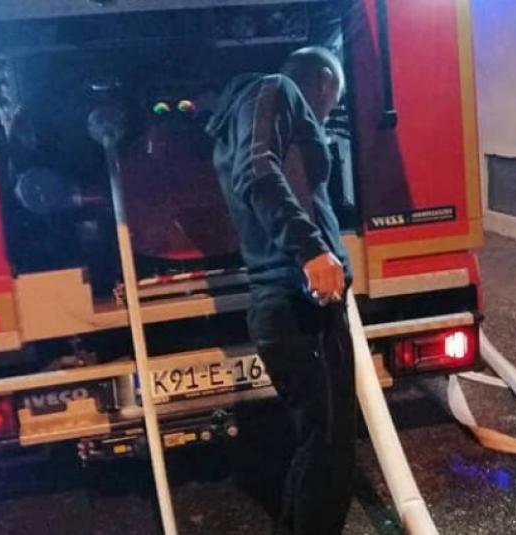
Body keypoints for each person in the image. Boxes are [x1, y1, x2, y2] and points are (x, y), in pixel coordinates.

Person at [206, 47, 355, 535]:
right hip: (298, 304)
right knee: (328, 449)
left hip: (291, 304)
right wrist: (311, 251)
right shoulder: (276, 88)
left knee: (322, 442)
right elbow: (258, 170)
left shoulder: (246, 111)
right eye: (332, 105)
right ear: (324, 82)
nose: (325, 117)